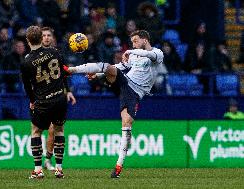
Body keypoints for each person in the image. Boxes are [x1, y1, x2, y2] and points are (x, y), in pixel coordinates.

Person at [67, 30, 164, 178]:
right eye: (132, 42)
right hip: (125, 82)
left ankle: (118, 167)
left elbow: (150, 55)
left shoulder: (157, 53)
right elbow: (121, 67)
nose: (133, 44)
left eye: (136, 41)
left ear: (145, 40)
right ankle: (70, 70)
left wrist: (130, 51)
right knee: (107, 66)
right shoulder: (134, 54)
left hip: (135, 94)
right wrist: (99, 74)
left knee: (127, 125)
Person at [21, 26, 72, 179]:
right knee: (59, 130)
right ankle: (59, 168)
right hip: (60, 98)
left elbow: (27, 86)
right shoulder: (55, 52)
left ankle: (38, 170)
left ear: (28, 40)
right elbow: (64, 74)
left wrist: (32, 101)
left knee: (36, 131)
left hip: (43, 101)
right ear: (41, 38)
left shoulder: (27, 61)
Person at [41, 26, 76, 172]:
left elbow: (63, 74)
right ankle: (46, 161)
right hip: (42, 96)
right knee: (47, 130)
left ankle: (48, 160)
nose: (47, 38)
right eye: (44, 35)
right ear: (40, 38)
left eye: (49, 35)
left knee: (56, 129)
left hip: (58, 95)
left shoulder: (57, 54)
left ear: (53, 38)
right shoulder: (35, 55)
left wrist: (68, 91)